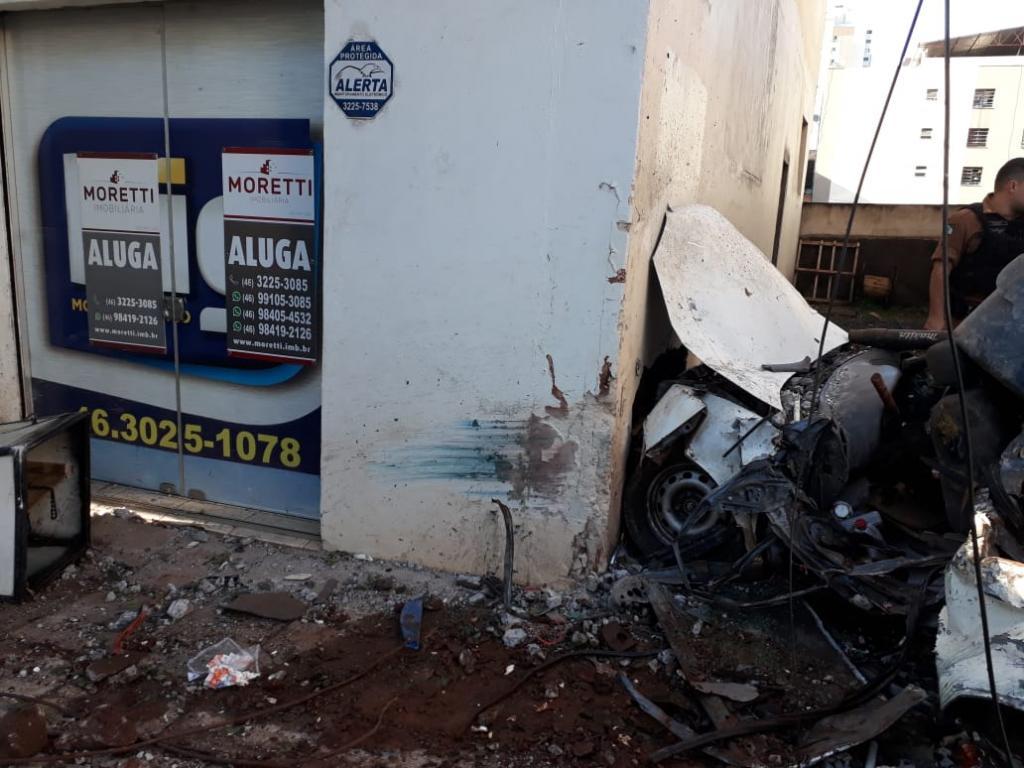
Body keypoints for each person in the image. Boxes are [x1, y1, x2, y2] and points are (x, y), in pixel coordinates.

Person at [924, 157, 1024, 330]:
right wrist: (936, 318)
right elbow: (941, 269)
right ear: (1013, 186)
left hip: (1011, 327)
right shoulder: (965, 220)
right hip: (966, 324)